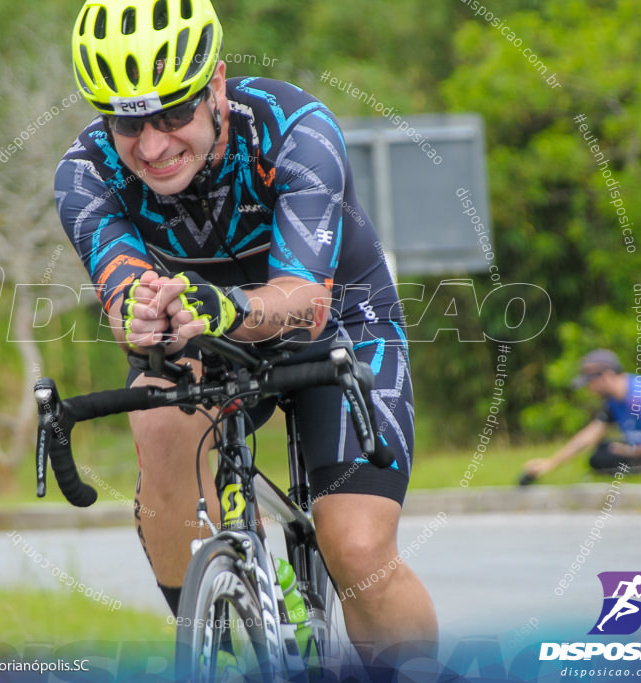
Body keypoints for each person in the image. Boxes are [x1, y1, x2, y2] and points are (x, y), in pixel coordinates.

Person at [54, 0, 437, 667]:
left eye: (174, 112)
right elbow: (124, 295)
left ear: (217, 86)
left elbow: (304, 300)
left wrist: (222, 308)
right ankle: (213, 633)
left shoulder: (295, 130)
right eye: (126, 122)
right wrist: (140, 314)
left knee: (354, 548)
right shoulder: (86, 173)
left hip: (337, 322)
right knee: (159, 423)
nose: (151, 146)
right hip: (201, 331)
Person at [523, 349, 641, 481]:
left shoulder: (637, 397)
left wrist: (631, 451)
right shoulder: (616, 399)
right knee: (601, 452)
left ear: (607, 376)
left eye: (591, 383)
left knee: (602, 461)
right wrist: (550, 463)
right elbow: (590, 435)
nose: (590, 390)